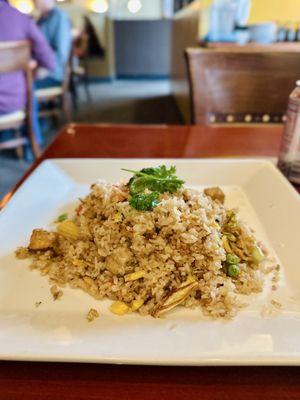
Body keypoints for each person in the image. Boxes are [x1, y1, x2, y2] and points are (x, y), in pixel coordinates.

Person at [0, 0, 55, 116]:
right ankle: (33, 132)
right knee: (29, 89)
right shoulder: (19, 18)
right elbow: (49, 61)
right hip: (13, 99)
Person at [34, 0, 72, 89]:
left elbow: (62, 53)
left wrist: (47, 69)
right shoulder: (42, 18)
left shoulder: (59, 17)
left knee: (24, 87)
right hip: (39, 69)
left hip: (52, 74)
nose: (34, 2)